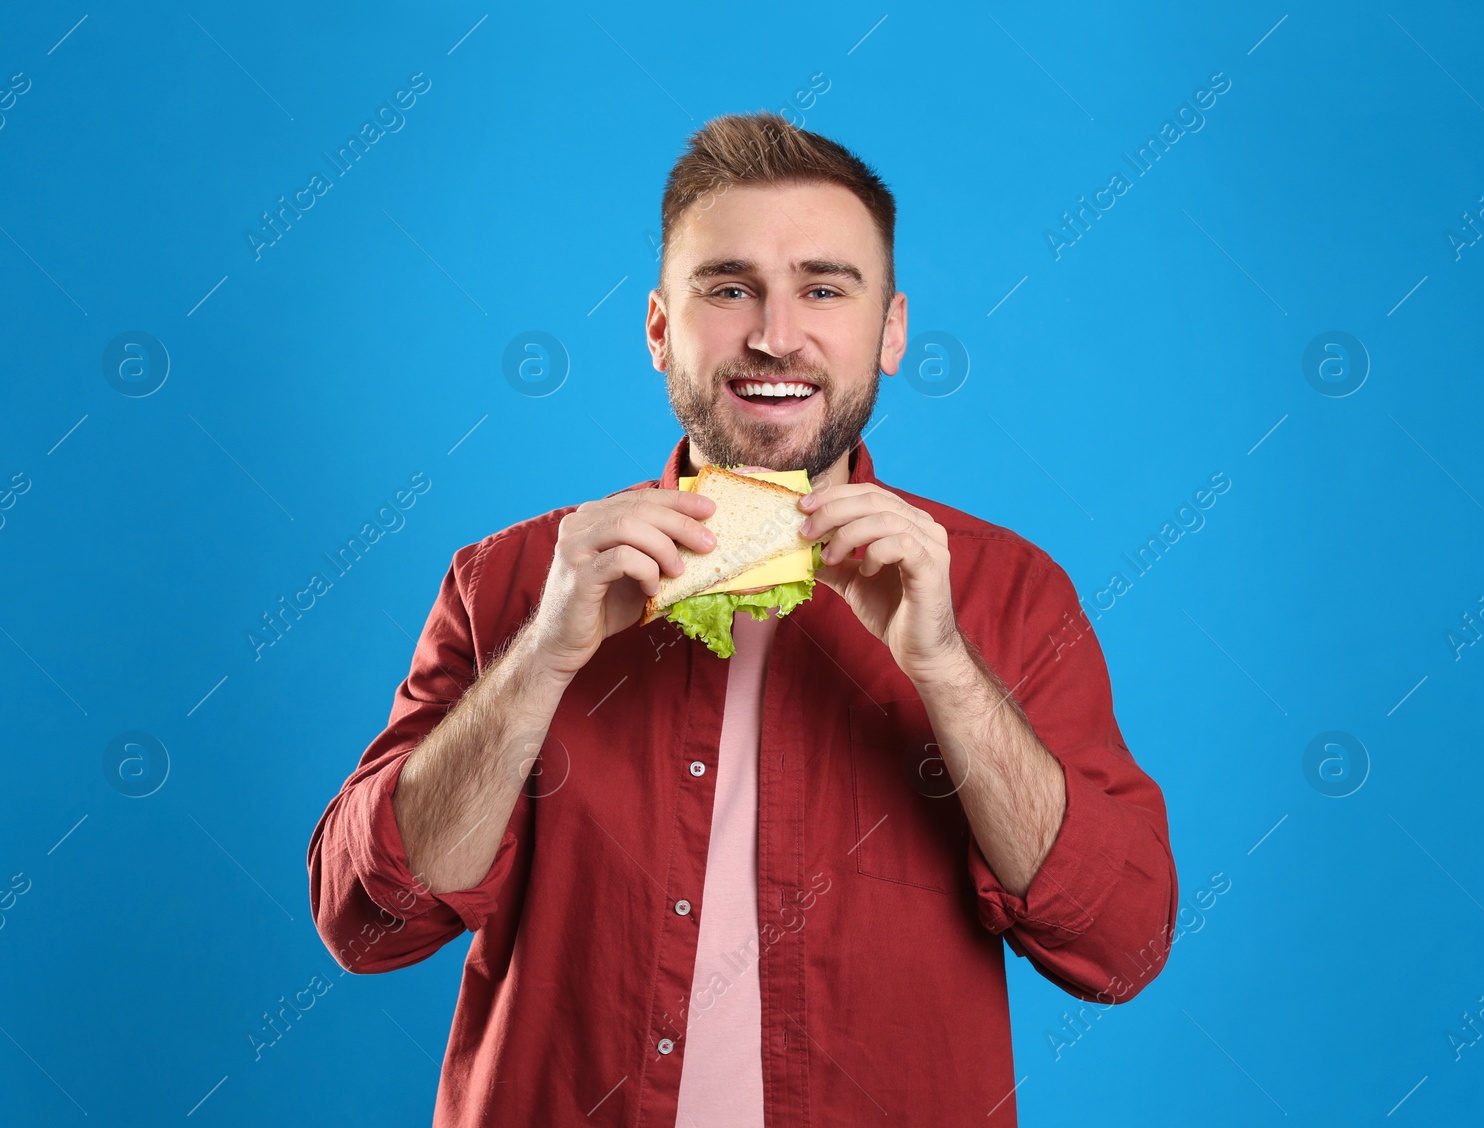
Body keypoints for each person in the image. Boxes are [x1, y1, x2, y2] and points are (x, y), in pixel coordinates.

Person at [307, 110, 1177, 1127]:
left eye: (822, 288)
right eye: (727, 290)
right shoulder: (511, 582)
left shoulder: (1007, 591)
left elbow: (1119, 947)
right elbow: (368, 927)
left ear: (890, 331)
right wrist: (541, 659)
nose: (773, 333)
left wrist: (944, 671)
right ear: (659, 329)